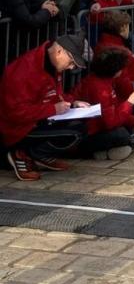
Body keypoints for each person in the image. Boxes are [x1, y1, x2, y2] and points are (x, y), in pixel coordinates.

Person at [0, 34, 89, 181]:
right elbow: (15, 113)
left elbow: (54, 95)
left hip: (36, 120)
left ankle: (37, 154)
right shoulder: (25, 70)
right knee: (75, 132)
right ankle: (23, 153)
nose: (71, 67)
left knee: (82, 123)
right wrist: (53, 109)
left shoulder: (50, 64)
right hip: (17, 129)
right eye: (71, 62)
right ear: (60, 52)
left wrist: (73, 102)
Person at [71, 47, 134, 160]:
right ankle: (97, 153)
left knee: (128, 132)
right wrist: (129, 103)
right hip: (90, 133)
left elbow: (115, 107)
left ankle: (107, 152)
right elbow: (109, 122)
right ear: (114, 70)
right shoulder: (99, 88)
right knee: (122, 135)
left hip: (97, 128)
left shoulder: (104, 81)